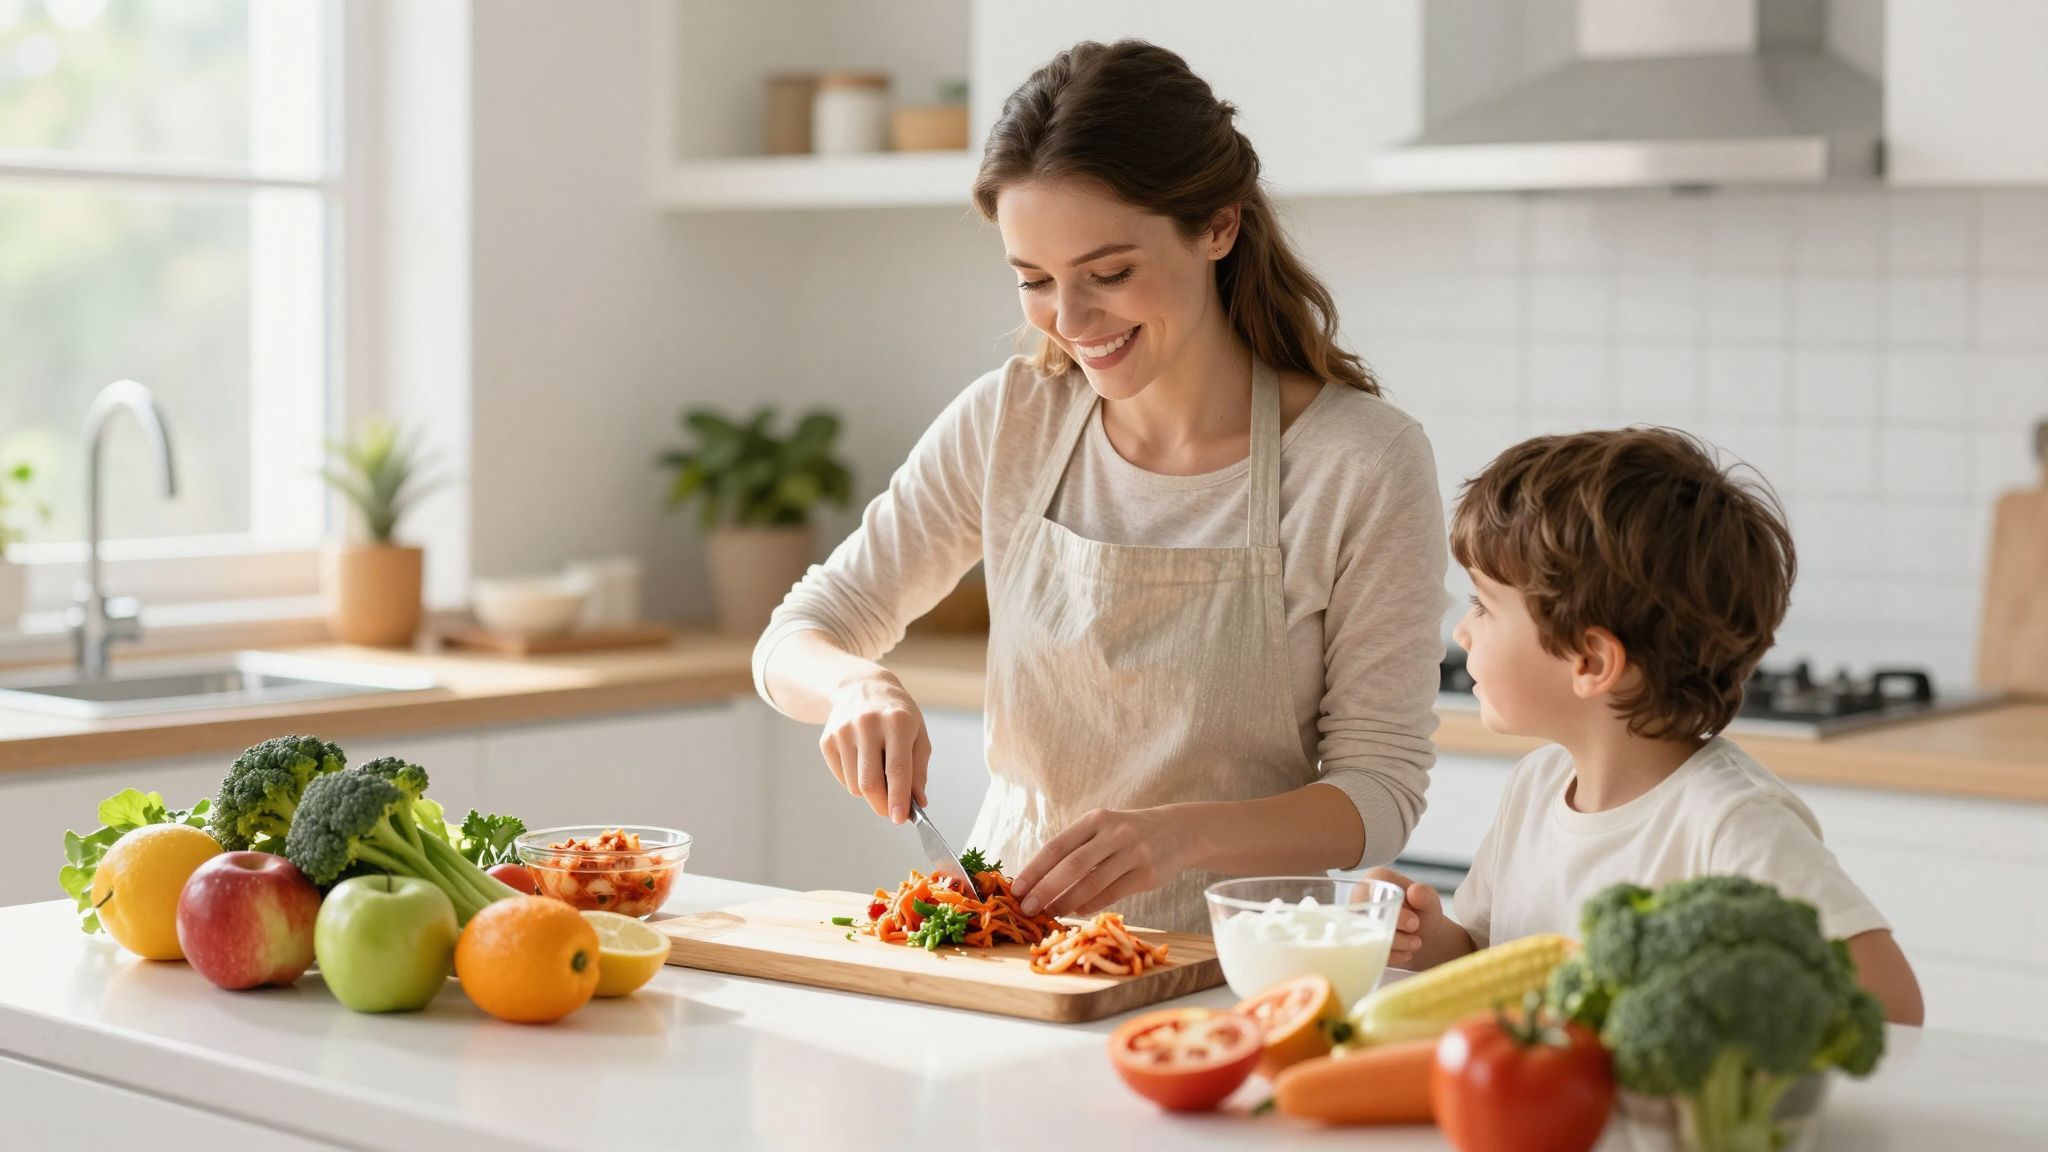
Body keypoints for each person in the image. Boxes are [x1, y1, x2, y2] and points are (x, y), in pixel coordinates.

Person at [749, 40, 1448, 933]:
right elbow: (797, 636)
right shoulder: (1011, 422)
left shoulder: (1361, 461)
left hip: (1237, 968)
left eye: (1109, 274)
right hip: (1009, 947)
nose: (1071, 322)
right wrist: (854, 687)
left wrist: (1179, 839)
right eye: (1034, 281)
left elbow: (1379, 792)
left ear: (1218, 228)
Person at [1369, 427, 1925, 1024]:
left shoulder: (1731, 822)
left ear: (1592, 662)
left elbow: (1892, 1004)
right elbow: (1485, 956)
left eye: (1483, 605)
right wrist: (1427, 941)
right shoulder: (1536, 785)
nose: (1462, 630)